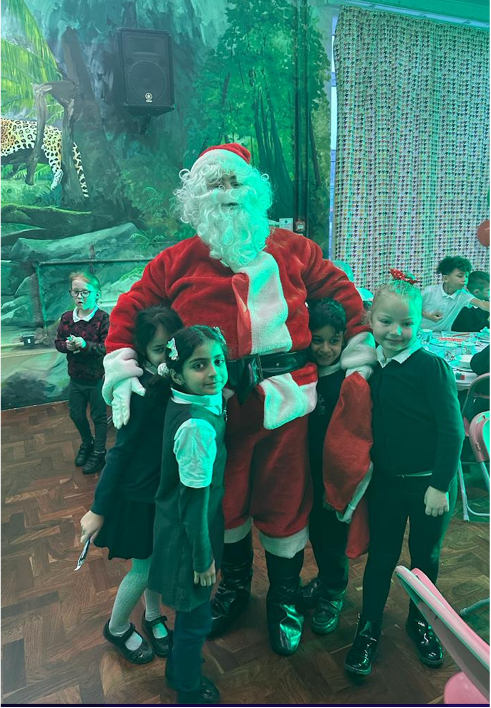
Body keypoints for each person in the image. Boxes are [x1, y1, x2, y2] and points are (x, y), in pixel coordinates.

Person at [102, 143, 375, 656]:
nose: (226, 193)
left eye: (234, 182)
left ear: (254, 191)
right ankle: (234, 588)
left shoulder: (294, 249)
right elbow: (132, 308)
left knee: (286, 501)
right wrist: (120, 366)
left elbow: (341, 292)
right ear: (195, 199)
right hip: (213, 409)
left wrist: (359, 352)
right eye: (215, 184)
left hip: (286, 402)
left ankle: (284, 597)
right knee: (223, 503)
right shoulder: (175, 261)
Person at [344, 280, 464, 677]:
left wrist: (440, 485)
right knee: (381, 557)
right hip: (387, 485)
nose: (397, 332)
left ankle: (422, 621)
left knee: (425, 558)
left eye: (407, 323)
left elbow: (453, 431)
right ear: (370, 319)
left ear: (420, 323)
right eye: (386, 322)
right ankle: (368, 627)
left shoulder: (431, 368)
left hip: (429, 486)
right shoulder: (369, 367)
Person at [79, 305, 183, 664]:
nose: (167, 355)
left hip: (165, 492)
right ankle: (118, 626)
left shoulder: (176, 381)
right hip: (140, 496)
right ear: (142, 351)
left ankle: (153, 615)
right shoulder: (139, 392)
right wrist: (98, 509)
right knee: (144, 568)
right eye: (158, 349)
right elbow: (119, 452)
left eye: (172, 347)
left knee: (156, 559)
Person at [148, 325, 229, 705]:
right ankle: (188, 688)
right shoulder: (196, 427)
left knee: (189, 613)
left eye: (218, 361)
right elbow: (194, 503)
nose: (214, 372)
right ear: (178, 375)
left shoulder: (192, 401)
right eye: (200, 365)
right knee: (196, 619)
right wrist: (202, 558)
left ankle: (177, 669)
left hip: (182, 528)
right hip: (189, 538)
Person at [303, 298, 351, 634]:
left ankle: (334, 591)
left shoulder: (349, 380)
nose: (325, 348)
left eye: (333, 341)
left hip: (334, 477)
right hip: (307, 472)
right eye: (317, 340)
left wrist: (337, 484)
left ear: (344, 339)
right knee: (316, 534)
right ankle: (325, 578)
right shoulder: (304, 373)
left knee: (334, 537)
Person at [55, 271, 109, 474]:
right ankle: (88, 442)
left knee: (99, 417)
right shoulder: (67, 318)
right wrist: (67, 346)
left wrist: (86, 345)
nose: (80, 297)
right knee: (76, 414)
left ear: (97, 294)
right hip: (76, 378)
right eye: (75, 292)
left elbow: (106, 347)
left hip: (97, 379)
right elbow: (58, 342)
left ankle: (99, 451)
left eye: (85, 292)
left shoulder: (103, 318)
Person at [421, 256, 490, 332]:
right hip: (419, 332)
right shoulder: (429, 291)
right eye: (460, 276)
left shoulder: (463, 295)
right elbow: (412, 310)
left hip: (442, 335)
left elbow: (481, 303)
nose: (465, 280)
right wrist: (428, 316)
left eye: (466, 276)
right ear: (445, 278)